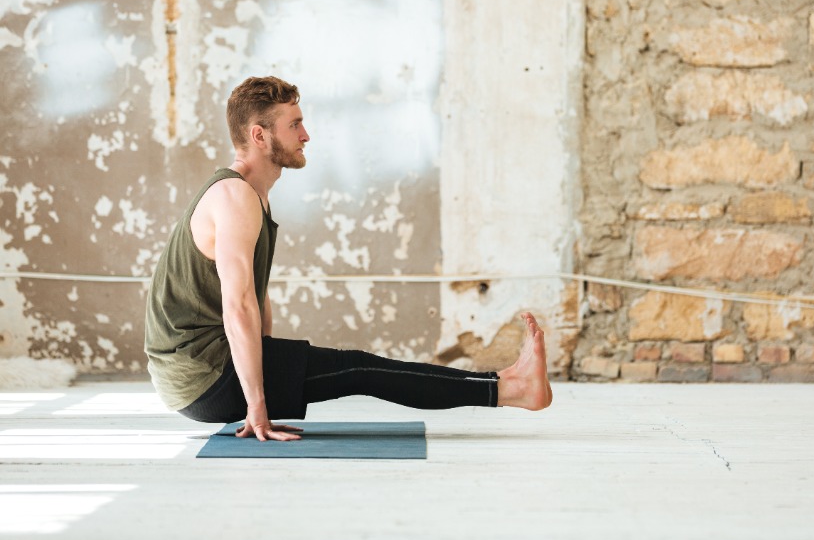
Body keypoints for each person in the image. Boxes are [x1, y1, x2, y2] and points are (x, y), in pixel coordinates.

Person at [145, 76, 552, 442]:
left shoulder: (251, 196)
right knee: (359, 370)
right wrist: (258, 405)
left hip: (205, 369)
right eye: (294, 125)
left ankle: (509, 382)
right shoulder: (234, 197)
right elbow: (239, 307)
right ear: (259, 135)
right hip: (201, 375)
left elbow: (256, 293)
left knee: (357, 369)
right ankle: (512, 389)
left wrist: (271, 370)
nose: (306, 135)